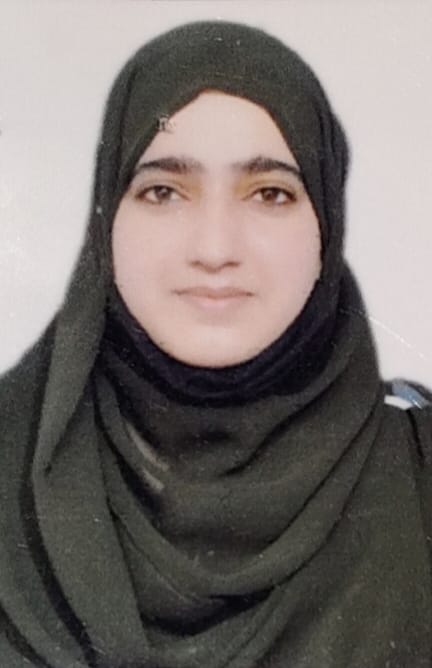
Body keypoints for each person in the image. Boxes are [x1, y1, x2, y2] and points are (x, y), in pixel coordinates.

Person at [0, 19, 431, 668]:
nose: (214, 248)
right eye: (164, 191)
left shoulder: (419, 480)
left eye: (270, 193)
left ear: (326, 224)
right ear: (106, 218)